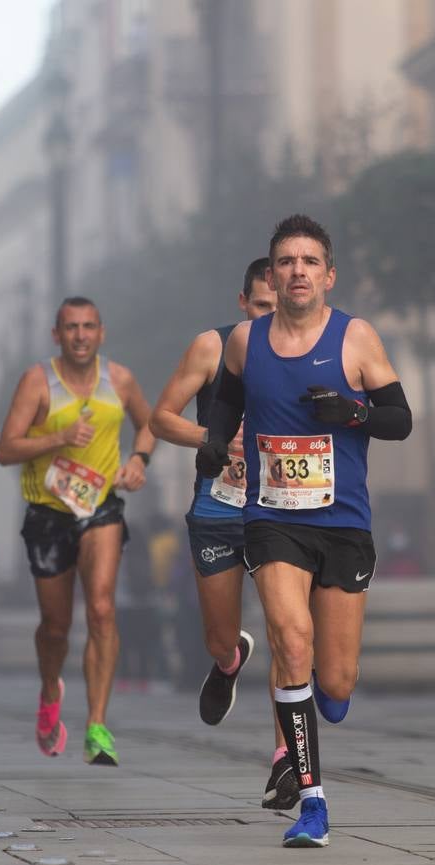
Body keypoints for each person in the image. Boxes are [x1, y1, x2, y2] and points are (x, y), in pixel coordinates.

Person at [196, 215, 412, 847]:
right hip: (272, 519)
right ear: (272, 273)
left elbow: (399, 419)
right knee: (291, 641)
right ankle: (311, 801)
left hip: (343, 521)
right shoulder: (244, 341)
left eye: (309, 261)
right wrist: (213, 446)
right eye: (286, 261)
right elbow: (226, 406)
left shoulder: (356, 338)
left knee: (336, 682)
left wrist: (352, 411)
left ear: (328, 274)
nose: (296, 271)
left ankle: (318, 696)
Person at [149, 257, 300, 810]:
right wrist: (211, 439)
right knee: (219, 634)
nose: (269, 317)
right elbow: (160, 417)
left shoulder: (306, 349)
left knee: (289, 631)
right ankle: (229, 657)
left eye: (278, 306)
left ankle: (286, 756)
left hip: (284, 505)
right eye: (260, 307)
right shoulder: (213, 347)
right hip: (219, 504)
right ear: (243, 305)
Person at [0, 296, 155, 766]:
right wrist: (58, 438)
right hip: (48, 514)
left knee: (102, 608)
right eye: (71, 327)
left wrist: (138, 461)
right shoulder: (37, 381)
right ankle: (50, 690)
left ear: (101, 333)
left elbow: (150, 425)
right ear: (56, 335)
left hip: (100, 507)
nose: (80, 335)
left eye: (88, 327)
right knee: (56, 626)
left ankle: (97, 725)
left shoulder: (119, 380)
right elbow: (6, 449)